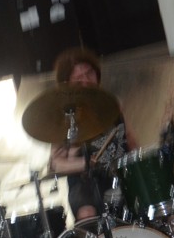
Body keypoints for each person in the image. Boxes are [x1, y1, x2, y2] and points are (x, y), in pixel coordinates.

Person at [48, 47, 137, 224]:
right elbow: (56, 164)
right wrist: (88, 163)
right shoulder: (66, 117)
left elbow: (130, 140)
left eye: (89, 73)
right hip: (86, 182)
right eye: (78, 78)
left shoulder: (112, 104)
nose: (86, 80)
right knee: (87, 212)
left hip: (120, 174)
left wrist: (141, 165)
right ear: (68, 84)